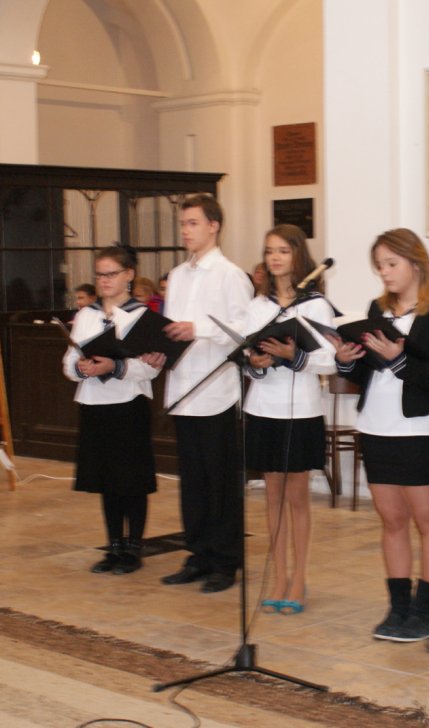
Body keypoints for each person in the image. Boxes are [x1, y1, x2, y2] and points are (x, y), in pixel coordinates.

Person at [329, 228, 429, 642]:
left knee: (428, 521)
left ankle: (426, 611)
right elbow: (364, 372)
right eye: (379, 266)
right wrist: (346, 360)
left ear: (415, 263)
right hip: (376, 424)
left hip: (419, 426)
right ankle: (398, 607)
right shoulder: (377, 310)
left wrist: (400, 360)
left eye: (391, 264)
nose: (384, 273)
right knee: (391, 521)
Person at [161, 194, 253, 593]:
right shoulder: (178, 275)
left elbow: (245, 332)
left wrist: (198, 329)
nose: (185, 231)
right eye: (183, 224)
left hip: (216, 391)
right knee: (193, 482)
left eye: (193, 223)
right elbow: (170, 327)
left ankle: (225, 561)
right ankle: (197, 554)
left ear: (214, 226)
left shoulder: (231, 275)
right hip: (183, 389)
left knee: (221, 482)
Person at [243, 224, 336, 615]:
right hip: (263, 407)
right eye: (269, 251)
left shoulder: (315, 305)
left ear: (298, 254)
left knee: (297, 498)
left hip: (301, 409)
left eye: (283, 250)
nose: (275, 258)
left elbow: (329, 360)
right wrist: (256, 361)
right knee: (273, 497)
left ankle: (299, 577)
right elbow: (247, 360)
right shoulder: (257, 306)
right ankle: (278, 575)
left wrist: (292, 356)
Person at [63, 247, 165, 575]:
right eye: (100, 275)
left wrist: (115, 366)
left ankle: (133, 547)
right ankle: (114, 545)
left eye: (111, 274)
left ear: (129, 274)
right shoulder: (87, 314)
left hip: (128, 404)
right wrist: (80, 367)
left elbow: (150, 368)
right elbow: (68, 361)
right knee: (106, 480)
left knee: (130, 480)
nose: (104, 280)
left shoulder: (141, 315)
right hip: (94, 404)